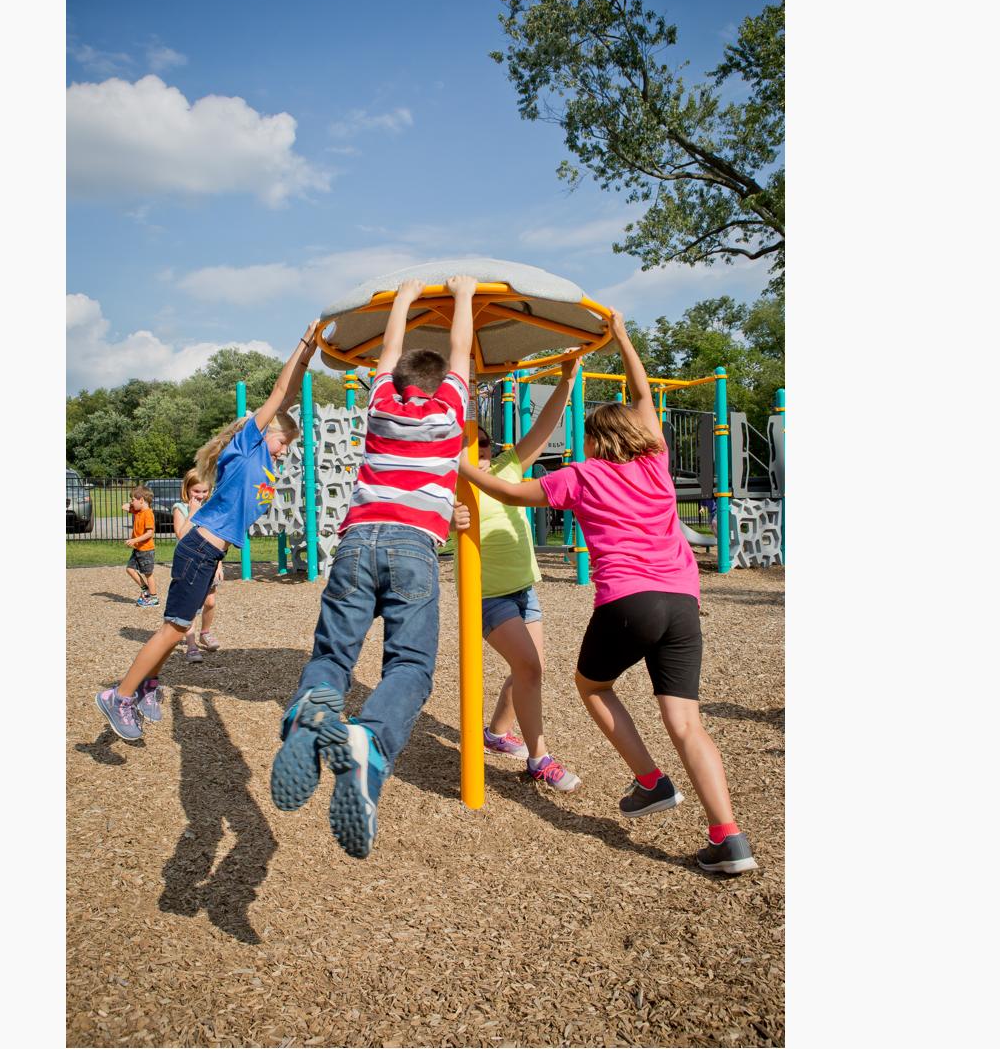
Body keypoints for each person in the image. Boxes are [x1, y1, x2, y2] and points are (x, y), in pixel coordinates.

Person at [456, 309, 758, 875]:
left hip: (629, 600)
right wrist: (622, 335)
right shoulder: (657, 463)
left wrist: (463, 468)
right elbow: (642, 391)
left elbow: (511, 492)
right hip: (684, 602)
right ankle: (729, 836)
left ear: (596, 440)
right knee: (687, 722)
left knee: (592, 686)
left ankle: (650, 781)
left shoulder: (581, 475)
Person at [270, 275, 476, 859]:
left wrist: (405, 301)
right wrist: (462, 298)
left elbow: (390, 354)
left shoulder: (381, 404)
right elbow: (461, 351)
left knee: (333, 655)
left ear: (401, 382)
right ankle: (370, 744)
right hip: (414, 548)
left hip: (357, 542)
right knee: (409, 663)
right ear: (445, 388)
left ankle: (314, 711)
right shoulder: (452, 413)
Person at [95, 322, 320, 741]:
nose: (286, 449)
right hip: (199, 547)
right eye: (283, 441)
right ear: (263, 433)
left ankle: (146, 686)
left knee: (178, 626)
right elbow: (280, 395)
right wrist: (305, 344)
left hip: (210, 553)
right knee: (174, 628)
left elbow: (288, 400)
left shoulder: (265, 461)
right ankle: (120, 695)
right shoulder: (247, 449)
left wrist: (311, 358)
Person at [468, 357, 582, 792]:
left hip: (523, 589)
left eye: (482, 442)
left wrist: (568, 380)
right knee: (530, 667)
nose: (478, 448)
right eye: (469, 443)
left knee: (531, 669)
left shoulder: (507, 469)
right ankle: (539, 759)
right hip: (487, 595)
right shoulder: (452, 485)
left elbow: (547, 424)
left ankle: (497, 732)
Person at [169, 469, 222, 662]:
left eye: (204, 492)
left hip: (209, 561)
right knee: (191, 607)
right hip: (189, 564)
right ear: (187, 489)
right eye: (196, 491)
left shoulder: (210, 509)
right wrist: (192, 513)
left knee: (210, 602)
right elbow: (182, 536)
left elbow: (216, 538)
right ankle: (191, 645)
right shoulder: (180, 509)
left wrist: (219, 564)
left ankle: (205, 633)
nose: (200, 496)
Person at [123, 487, 158, 607]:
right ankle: (145, 589)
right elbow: (126, 507)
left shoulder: (148, 514)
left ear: (141, 500)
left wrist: (134, 540)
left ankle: (153, 598)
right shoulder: (138, 511)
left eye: (133, 500)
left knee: (148, 574)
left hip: (146, 550)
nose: (131, 502)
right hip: (138, 549)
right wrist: (131, 503)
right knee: (130, 569)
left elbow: (149, 533)